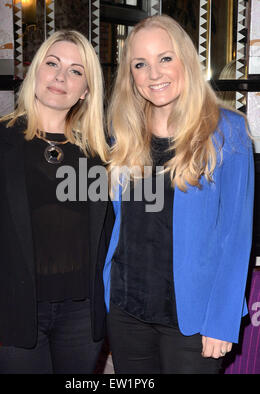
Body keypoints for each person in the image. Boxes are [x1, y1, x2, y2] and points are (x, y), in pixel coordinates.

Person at [103, 15, 254, 374]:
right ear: (131, 75)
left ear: (186, 60)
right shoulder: (120, 133)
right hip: (126, 312)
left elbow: (236, 236)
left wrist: (222, 319)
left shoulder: (227, 131)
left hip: (194, 318)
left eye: (165, 58)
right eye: (141, 64)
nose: (154, 74)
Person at [0, 30, 114, 374]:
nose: (61, 77)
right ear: (35, 73)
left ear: (86, 89)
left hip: (82, 315)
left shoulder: (102, 152)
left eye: (76, 70)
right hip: (10, 310)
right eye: (53, 64)